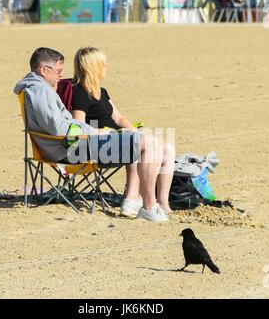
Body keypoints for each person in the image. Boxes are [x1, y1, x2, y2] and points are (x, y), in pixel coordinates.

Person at [13, 47, 173, 222]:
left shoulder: (40, 89)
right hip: (70, 149)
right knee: (147, 142)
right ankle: (148, 206)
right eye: (58, 71)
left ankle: (147, 202)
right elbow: (58, 128)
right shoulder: (40, 91)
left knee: (148, 141)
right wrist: (94, 131)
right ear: (44, 70)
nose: (61, 75)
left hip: (72, 144)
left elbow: (63, 124)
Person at [70, 46, 175, 218]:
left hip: (117, 139)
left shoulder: (101, 92)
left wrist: (133, 130)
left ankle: (163, 204)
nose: (107, 67)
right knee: (141, 145)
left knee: (167, 149)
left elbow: (118, 118)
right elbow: (78, 126)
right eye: (104, 65)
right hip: (96, 146)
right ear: (93, 68)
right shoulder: (79, 93)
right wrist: (105, 132)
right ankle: (136, 200)